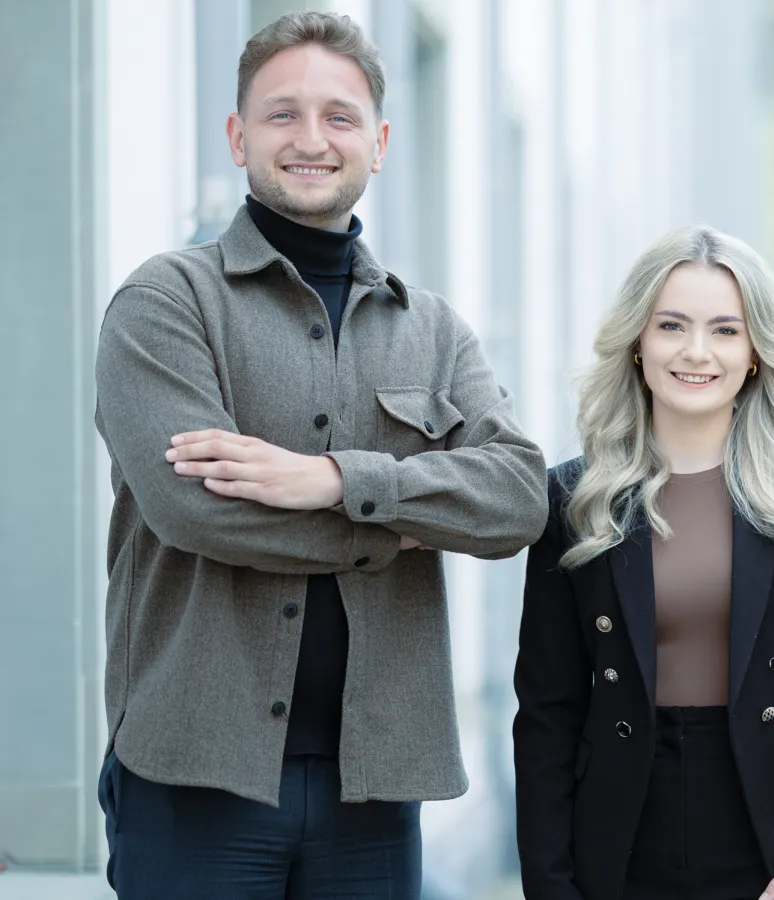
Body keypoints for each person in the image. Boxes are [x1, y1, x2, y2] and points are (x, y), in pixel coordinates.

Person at [91, 11, 547, 897]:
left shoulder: (434, 330)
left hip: (376, 784)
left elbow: (517, 497)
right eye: (282, 114)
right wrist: (399, 525)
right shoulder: (164, 303)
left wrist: (331, 480)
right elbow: (196, 510)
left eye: (339, 116)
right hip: (193, 776)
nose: (311, 139)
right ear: (238, 136)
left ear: (379, 143)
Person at [513, 226, 774, 900]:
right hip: (616, 837)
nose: (697, 351)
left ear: (755, 352)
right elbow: (546, 712)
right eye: (672, 326)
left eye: (725, 330)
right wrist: (549, 883)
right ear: (638, 341)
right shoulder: (575, 498)